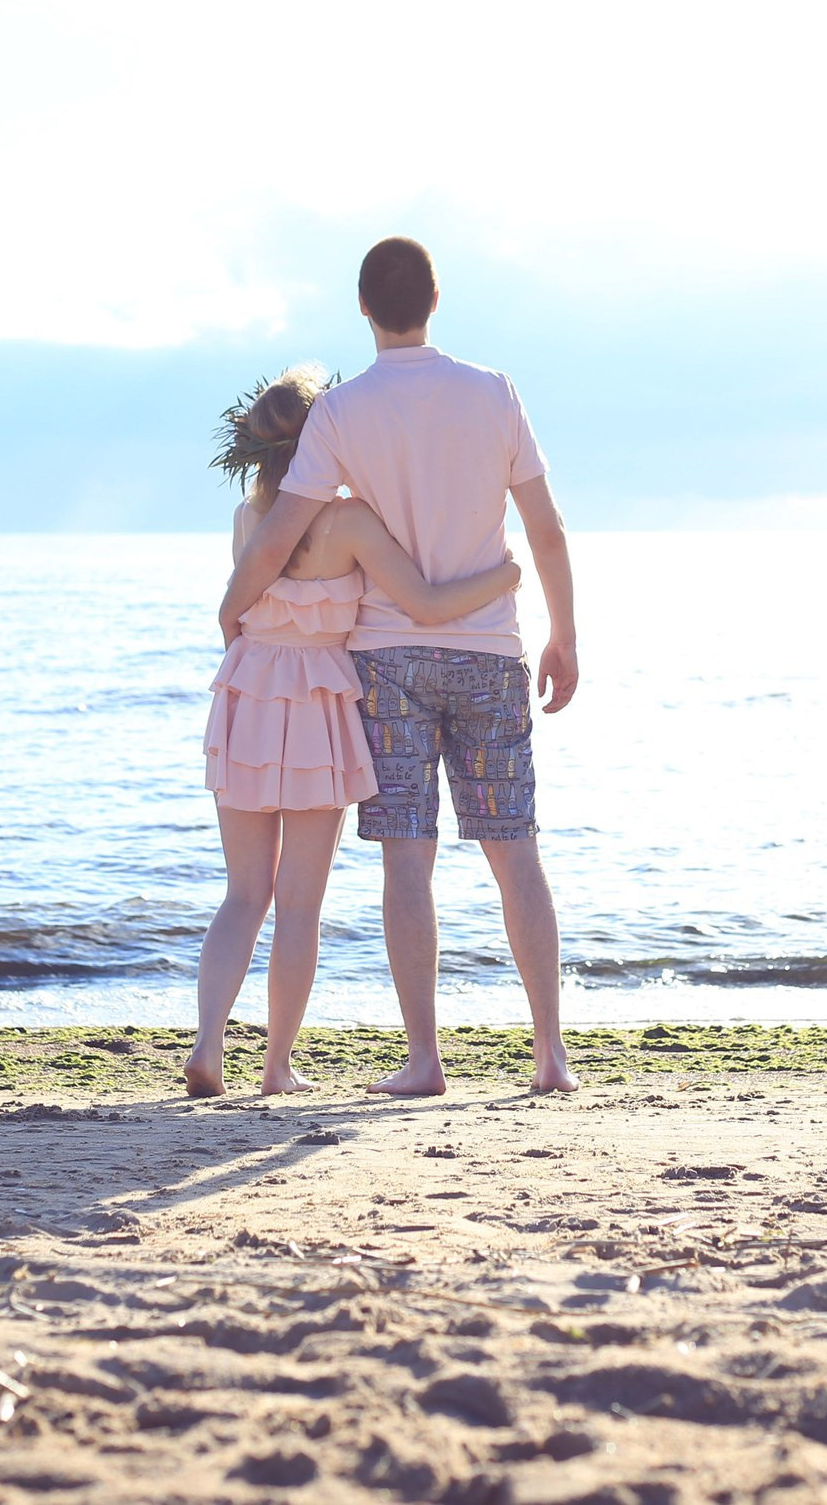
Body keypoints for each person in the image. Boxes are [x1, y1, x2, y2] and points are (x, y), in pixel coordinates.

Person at [218, 237, 581, 1095]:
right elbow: (546, 528)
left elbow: (280, 533)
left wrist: (233, 606)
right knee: (514, 849)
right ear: (436, 297)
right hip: (489, 646)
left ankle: (425, 1060)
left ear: (363, 308)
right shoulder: (494, 393)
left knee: (406, 860)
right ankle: (550, 1056)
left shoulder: (343, 412)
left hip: (388, 658)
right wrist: (565, 631)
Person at [190, 364, 523, 1097]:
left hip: (247, 695)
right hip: (315, 710)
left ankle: (209, 1041)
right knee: (299, 901)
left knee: (243, 891)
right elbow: (428, 604)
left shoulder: (247, 520)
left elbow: (235, 609)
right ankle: (275, 1066)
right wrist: (504, 578)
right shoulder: (349, 523)